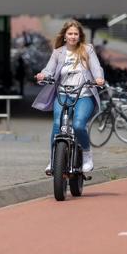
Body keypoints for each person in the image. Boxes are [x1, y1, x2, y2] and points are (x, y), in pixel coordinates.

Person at [33, 20, 105, 175]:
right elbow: (49, 69)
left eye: (75, 34)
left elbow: (96, 67)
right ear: (65, 36)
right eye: (70, 33)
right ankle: (53, 160)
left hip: (84, 94)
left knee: (79, 125)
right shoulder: (58, 52)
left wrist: (99, 78)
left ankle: (86, 155)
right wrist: (43, 75)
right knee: (57, 124)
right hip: (64, 94)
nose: (73, 36)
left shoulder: (87, 49)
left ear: (80, 36)